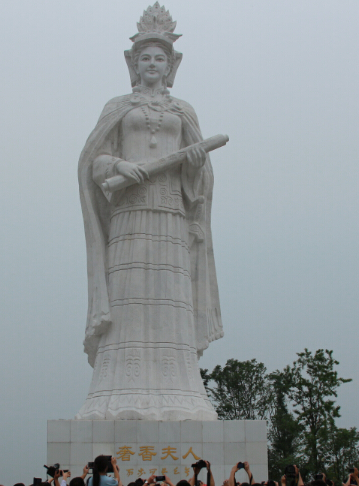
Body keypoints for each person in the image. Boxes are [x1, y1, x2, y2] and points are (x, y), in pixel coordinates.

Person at [76, 3, 222, 421]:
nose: (153, 64)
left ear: (171, 65)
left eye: (160, 58)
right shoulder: (119, 107)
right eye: (146, 58)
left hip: (170, 212)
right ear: (133, 64)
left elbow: (199, 178)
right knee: (130, 295)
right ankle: (115, 390)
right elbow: (94, 162)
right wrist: (119, 165)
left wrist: (194, 162)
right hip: (129, 213)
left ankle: (181, 392)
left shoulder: (183, 111)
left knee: (170, 295)